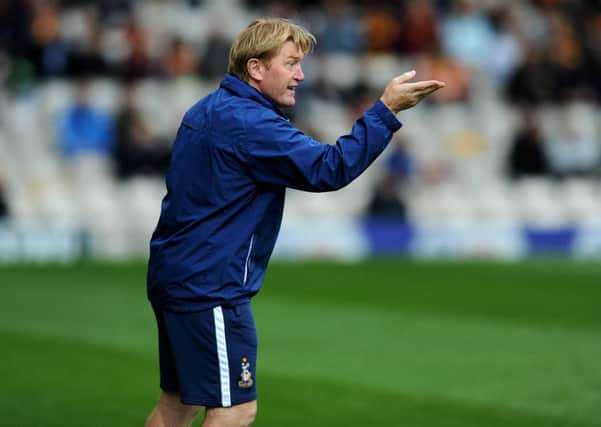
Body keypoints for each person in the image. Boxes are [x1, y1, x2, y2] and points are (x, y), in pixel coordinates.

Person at [145, 18, 444, 427]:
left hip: (178, 273)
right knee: (235, 409)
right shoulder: (251, 123)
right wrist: (386, 111)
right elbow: (329, 168)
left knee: (178, 404)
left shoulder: (208, 108)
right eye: (290, 63)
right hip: (209, 285)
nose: (300, 75)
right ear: (255, 69)